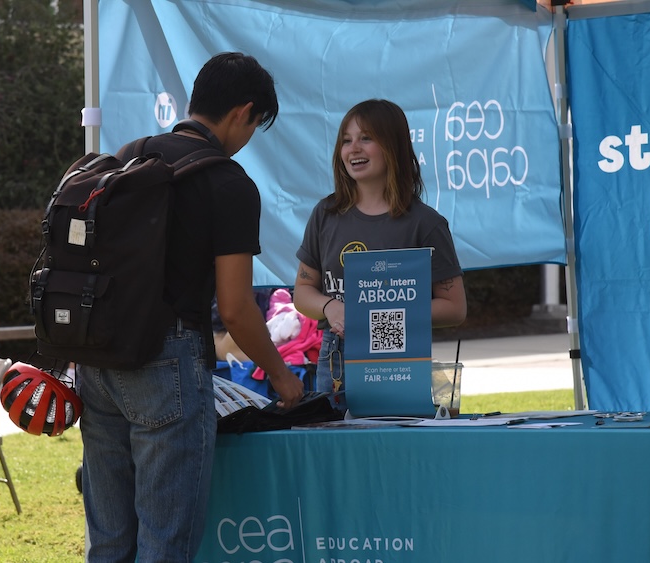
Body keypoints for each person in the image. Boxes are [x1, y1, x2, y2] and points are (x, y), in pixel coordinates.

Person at [75, 52, 304, 562]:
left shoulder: (129, 156)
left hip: (97, 359)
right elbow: (238, 308)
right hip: (166, 365)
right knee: (165, 544)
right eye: (254, 127)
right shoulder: (228, 182)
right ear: (244, 112)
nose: (247, 141)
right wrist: (282, 378)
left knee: (109, 542)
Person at [292, 99, 467, 411]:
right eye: (346, 140)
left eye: (366, 138)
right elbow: (303, 292)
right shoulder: (325, 215)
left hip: (399, 358)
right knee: (337, 455)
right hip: (336, 357)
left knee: (396, 452)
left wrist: (385, 317)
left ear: (394, 146)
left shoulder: (425, 224)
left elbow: (454, 308)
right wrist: (330, 307)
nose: (353, 148)